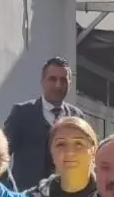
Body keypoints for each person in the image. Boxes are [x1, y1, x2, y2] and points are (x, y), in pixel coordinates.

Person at [5, 57, 85, 189]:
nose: (58, 85)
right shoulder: (22, 113)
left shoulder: (77, 117)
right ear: (42, 81)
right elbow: (1, 154)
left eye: (63, 80)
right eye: (52, 79)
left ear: (70, 84)